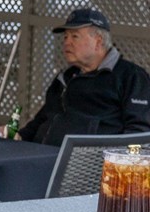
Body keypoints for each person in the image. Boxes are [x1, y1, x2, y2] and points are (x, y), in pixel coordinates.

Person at [15, 8, 150, 145]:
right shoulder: (65, 77)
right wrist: (20, 135)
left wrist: (120, 163)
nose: (67, 42)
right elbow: (44, 117)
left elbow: (139, 132)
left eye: (75, 36)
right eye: (65, 37)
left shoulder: (131, 77)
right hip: (40, 156)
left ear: (98, 42)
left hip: (90, 163)